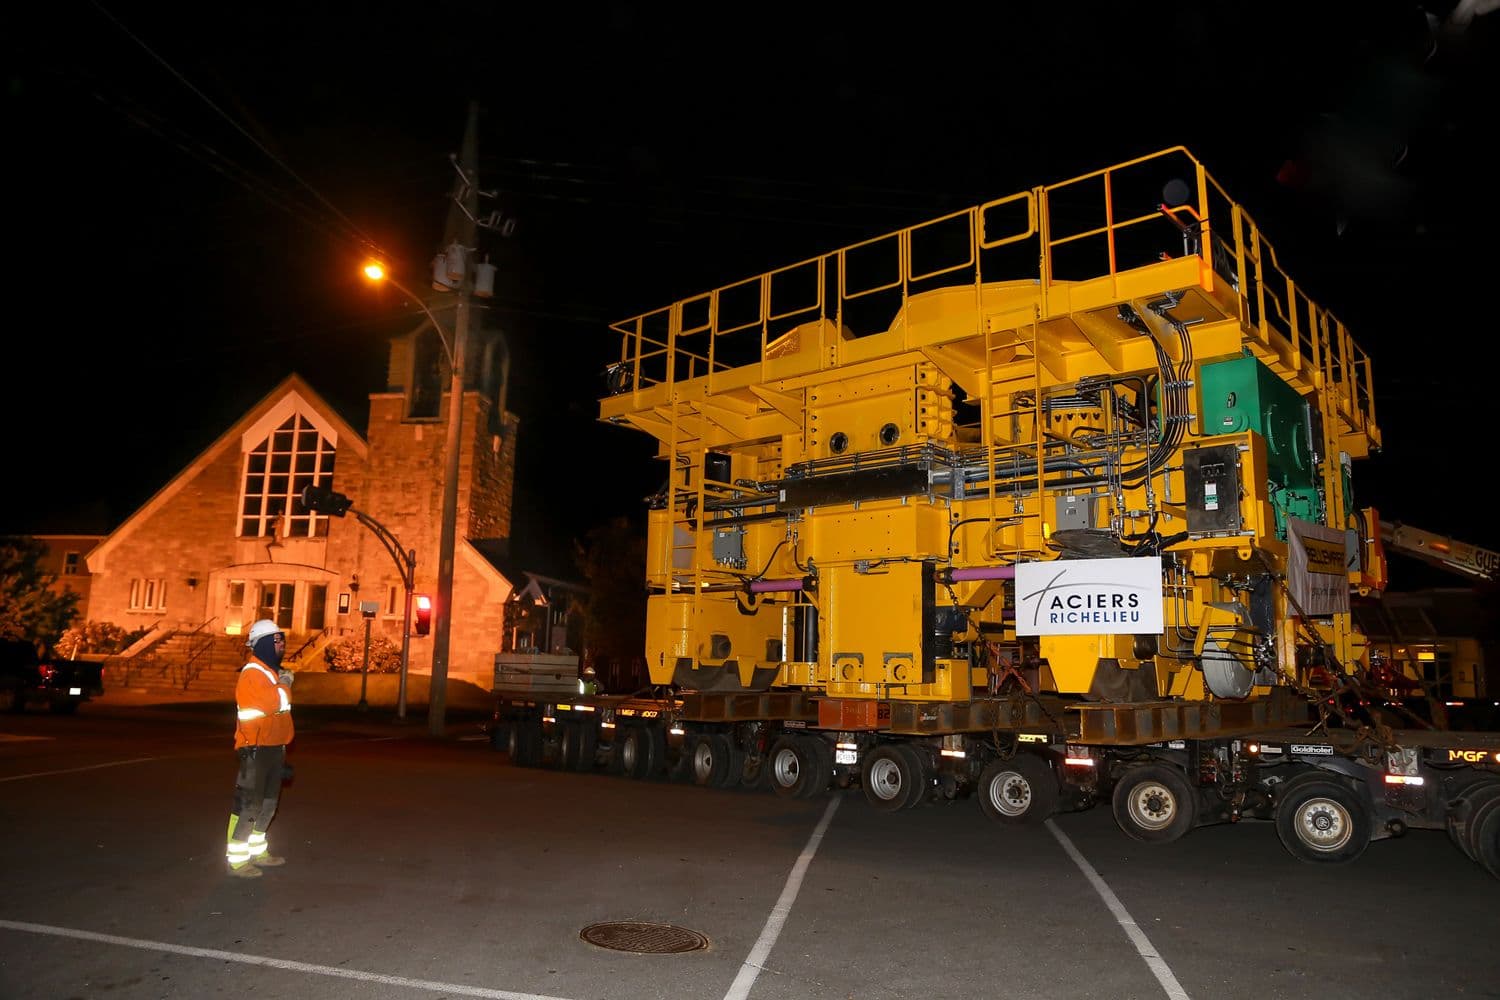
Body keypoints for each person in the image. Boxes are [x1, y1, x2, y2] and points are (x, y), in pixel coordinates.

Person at [225, 619, 295, 879]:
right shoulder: (253, 673)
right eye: (276, 640)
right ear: (264, 643)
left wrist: (282, 683)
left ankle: (257, 851)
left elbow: (278, 706)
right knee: (249, 806)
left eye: (282, 639)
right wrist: (286, 685)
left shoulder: (271, 672)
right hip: (255, 749)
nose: (281, 644)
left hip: (273, 747)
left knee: (267, 804)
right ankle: (237, 860)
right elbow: (270, 702)